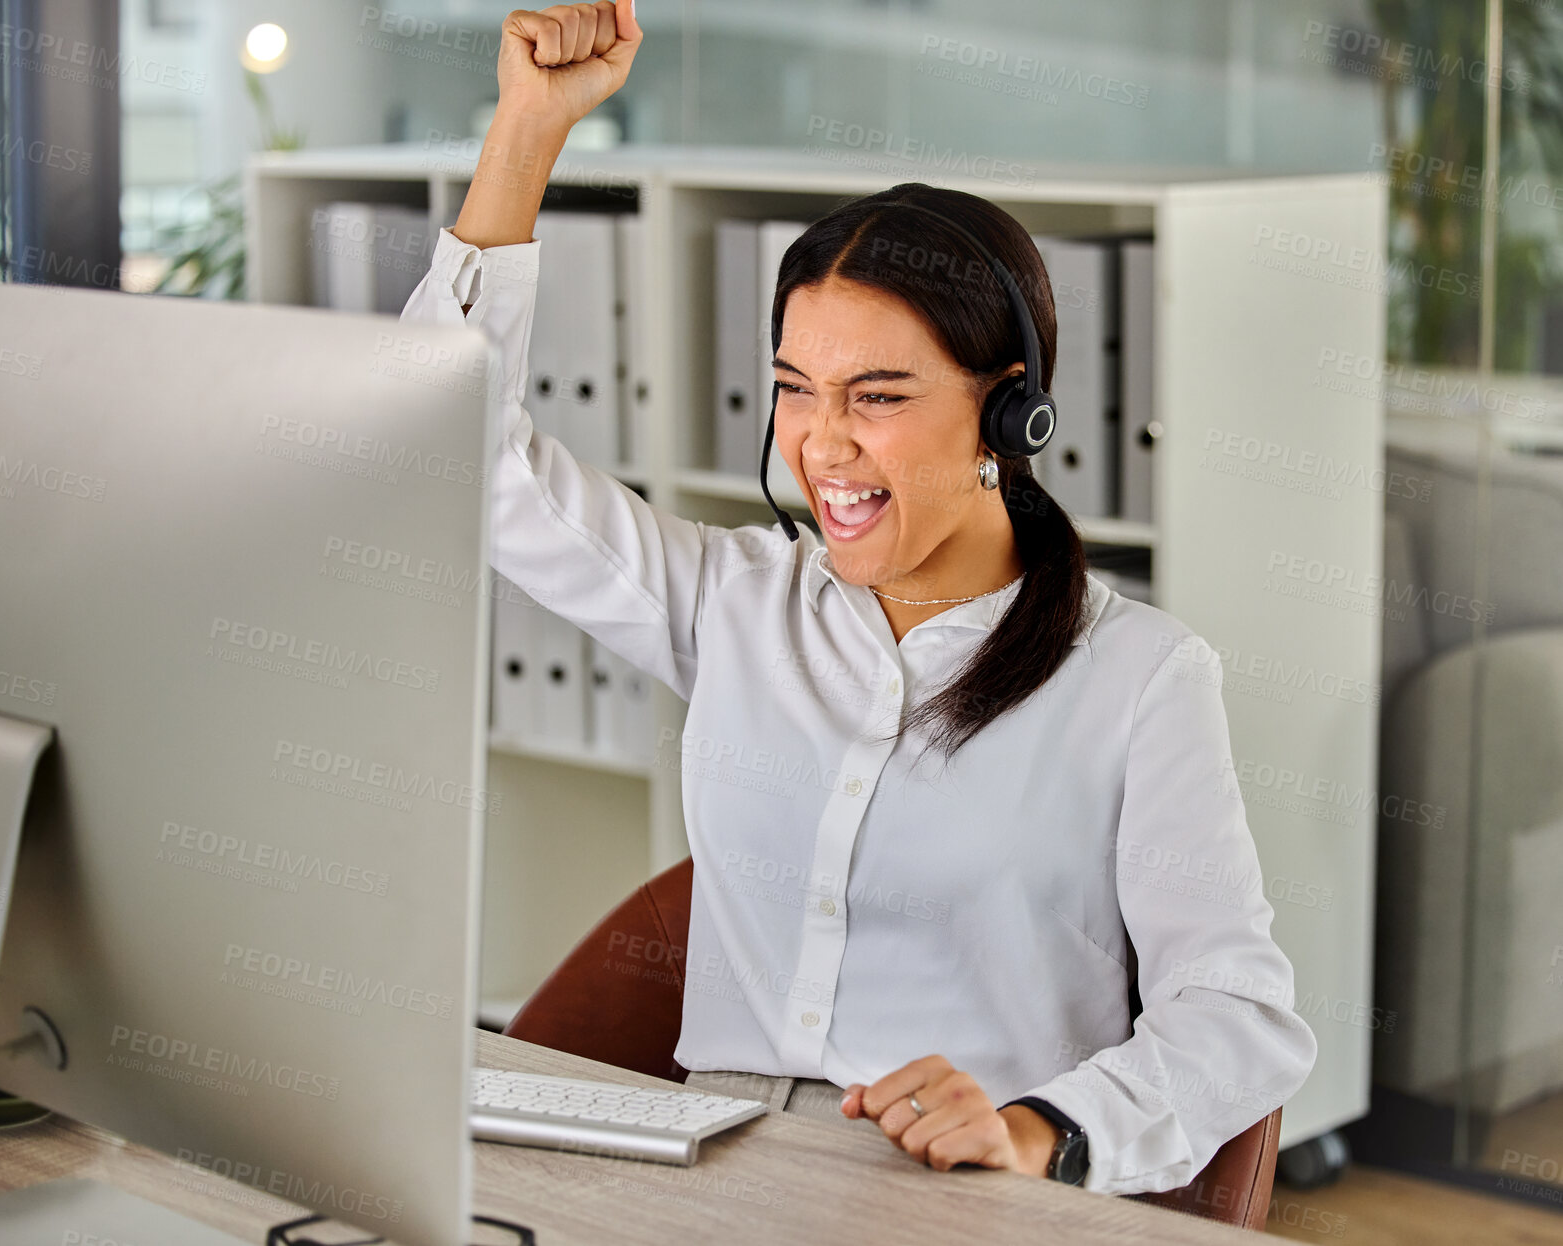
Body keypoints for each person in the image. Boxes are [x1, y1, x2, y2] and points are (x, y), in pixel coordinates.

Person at [400, 0, 1317, 1195]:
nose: (821, 447)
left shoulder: (1141, 677)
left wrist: (1039, 1126)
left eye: (877, 396)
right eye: (794, 388)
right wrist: (527, 127)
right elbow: (459, 456)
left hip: (957, 1198)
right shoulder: (736, 603)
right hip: (708, 1182)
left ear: (1008, 416)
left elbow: (1237, 1014)